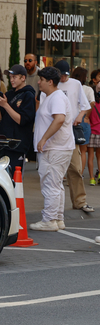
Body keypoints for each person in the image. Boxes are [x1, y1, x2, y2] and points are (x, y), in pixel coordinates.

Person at [30, 67, 75, 231]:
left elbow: (59, 119)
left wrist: (43, 139)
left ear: (50, 82)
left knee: (50, 184)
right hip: (57, 147)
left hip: (55, 148)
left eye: (41, 79)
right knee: (55, 184)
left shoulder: (56, 97)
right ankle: (57, 219)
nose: (38, 82)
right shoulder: (50, 96)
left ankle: (49, 220)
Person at [54, 60, 94, 213]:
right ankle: (54, 203)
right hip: (54, 132)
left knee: (75, 168)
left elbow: (86, 105)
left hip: (70, 131)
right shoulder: (51, 85)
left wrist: (80, 116)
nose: (64, 78)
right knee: (54, 171)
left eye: (66, 75)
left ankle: (80, 201)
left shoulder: (75, 84)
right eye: (61, 75)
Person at [0, 64, 36, 173]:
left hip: (17, 144)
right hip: (3, 142)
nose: (11, 80)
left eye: (14, 77)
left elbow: (21, 120)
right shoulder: (9, 94)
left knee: (14, 177)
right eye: (10, 77)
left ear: (23, 78)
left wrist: (6, 105)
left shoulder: (28, 95)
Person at [70, 67, 96, 184]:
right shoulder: (88, 89)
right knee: (83, 150)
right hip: (83, 121)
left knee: (71, 149)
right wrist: (86, 116)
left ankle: (69, 175)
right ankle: (79, 174)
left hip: (70, 120)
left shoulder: (70, 87)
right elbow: (92, 104)